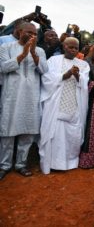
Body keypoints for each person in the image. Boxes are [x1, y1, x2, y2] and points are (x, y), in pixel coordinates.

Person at [0, 22, 48, 180]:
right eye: (29, 32)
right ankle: (4, 165)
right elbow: (3, 67)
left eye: (35, 34)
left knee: (27, 131)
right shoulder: (6, 48)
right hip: (12, 95)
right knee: (7, 131)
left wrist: (33, 52)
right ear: (19, 32)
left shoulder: (39, 50)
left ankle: (21, 164)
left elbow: (44, 70)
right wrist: (23, 54)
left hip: (31, 96)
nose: (32, 36)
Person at [38, 37, 89, 174]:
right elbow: (46, 79)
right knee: (55, 134)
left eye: (75, 48)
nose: (73, 50)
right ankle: (53, 163)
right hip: (56, 105)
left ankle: (70, 163)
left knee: (73, 135)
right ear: (63, 46)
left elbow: (85, 83)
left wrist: (78, 75)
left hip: (75, 106)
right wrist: (65, 75)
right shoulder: (53, 61)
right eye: (70, 47)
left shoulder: (83, 64)